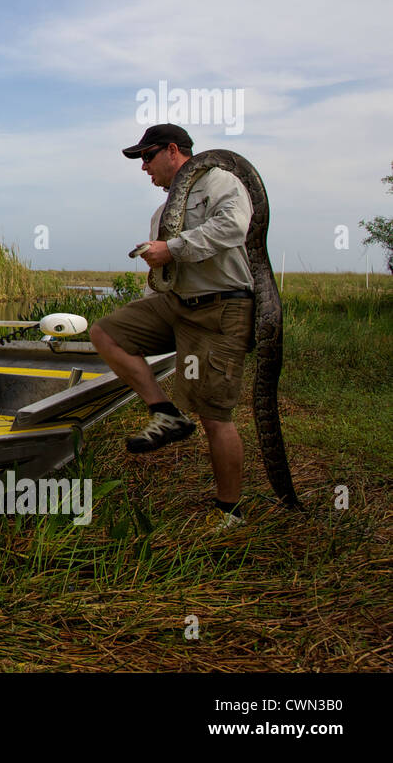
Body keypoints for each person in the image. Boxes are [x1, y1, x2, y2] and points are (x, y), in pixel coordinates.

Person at [89, 124, 255, 528]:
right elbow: (163, 276)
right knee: (106, 332)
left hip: (221, 307)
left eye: (147, 157)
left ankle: (229, 512)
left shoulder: (221, 182)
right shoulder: (161, 213)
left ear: (173, 151)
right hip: (174, 304)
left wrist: (173, 247)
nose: (144, 168)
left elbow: (233, 227)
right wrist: (148, 300)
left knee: (215, 415)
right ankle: (165, 413)